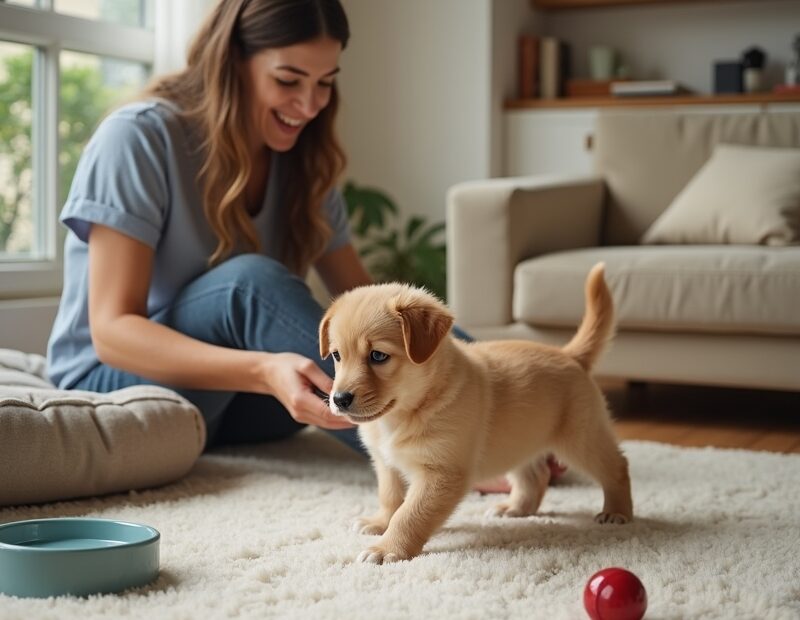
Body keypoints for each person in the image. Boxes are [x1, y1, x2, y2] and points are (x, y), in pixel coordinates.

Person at [47, 0, 368, 452]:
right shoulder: (138, 137)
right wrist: (261, 369)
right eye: (288, 80)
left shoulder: (305, 160)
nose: (310, 104)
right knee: (248, 287)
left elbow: (368, 302)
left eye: (325, 84)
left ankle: (496, 412)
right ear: (232, 60)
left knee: (390, 322)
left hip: (234, 402)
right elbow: (113, 332)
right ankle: (445, 448)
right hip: (112, 386)